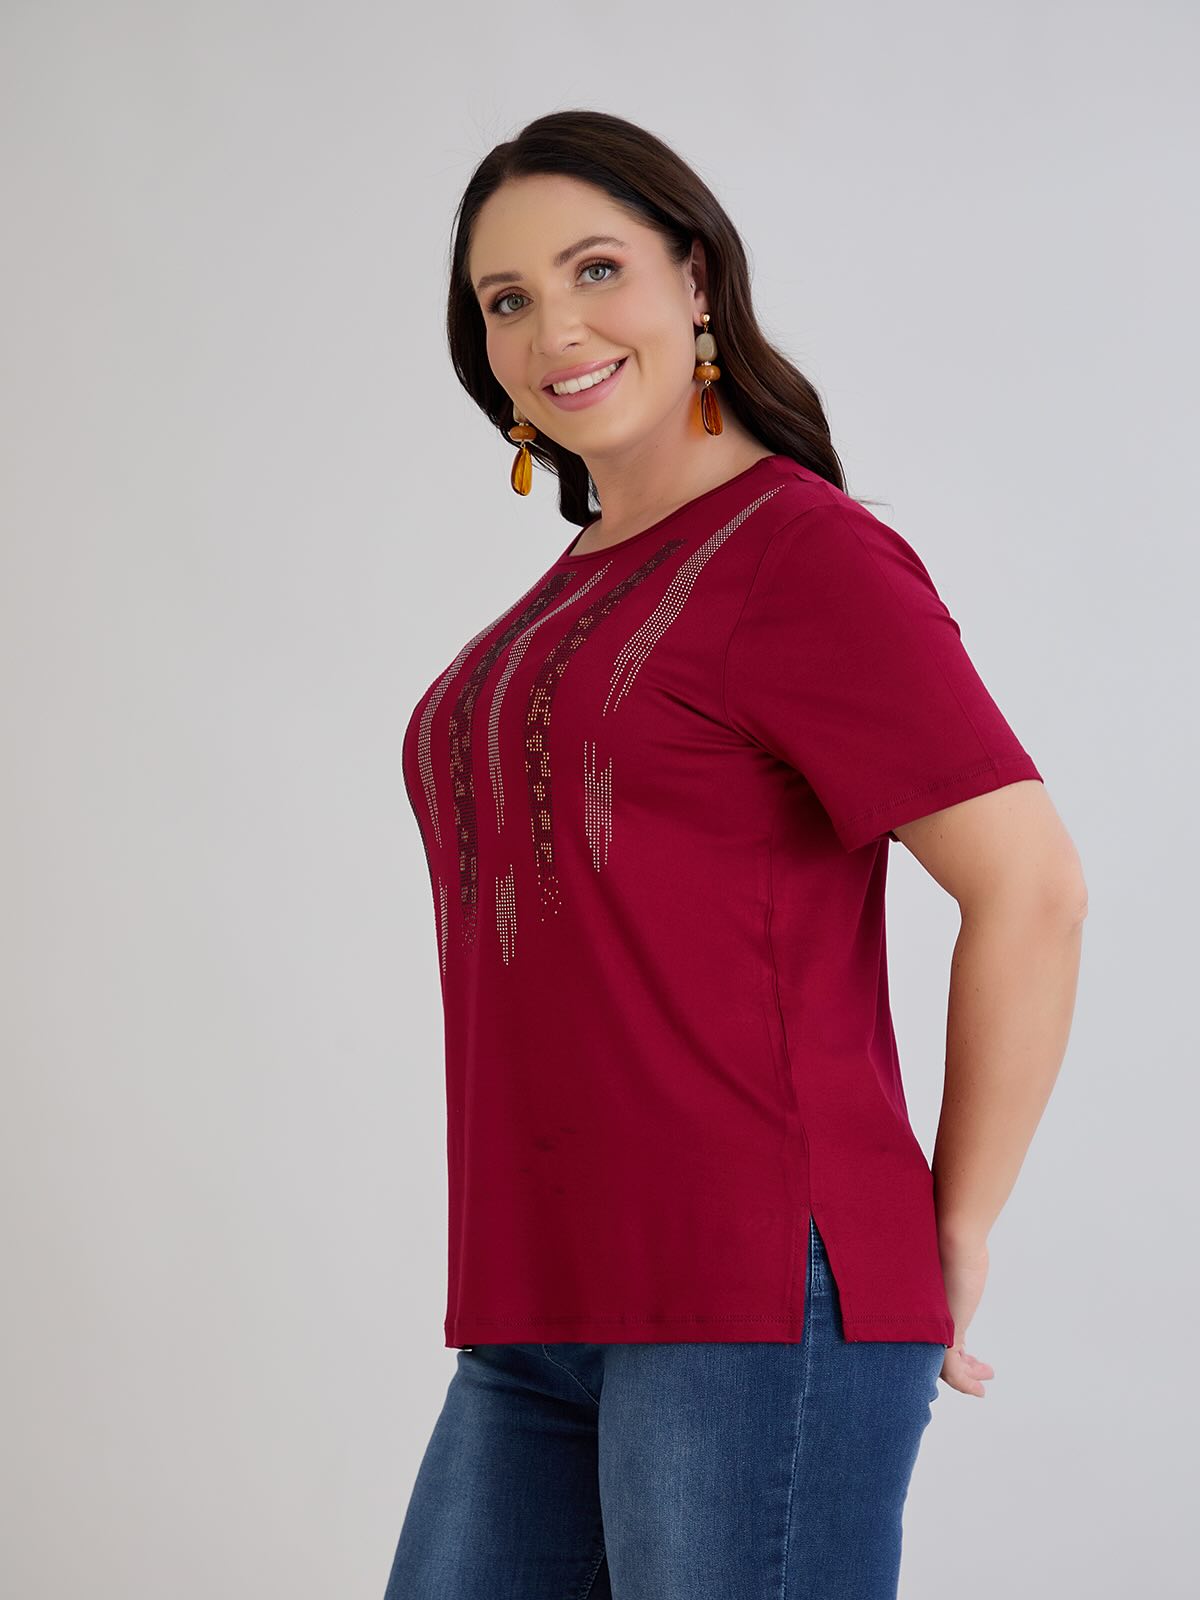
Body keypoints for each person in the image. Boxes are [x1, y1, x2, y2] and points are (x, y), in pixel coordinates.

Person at [382, 109, 1087, 1600]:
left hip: (759, 1298)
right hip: (534, 1305)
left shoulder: (800, 554)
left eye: (597, 269)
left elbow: (1030, 886)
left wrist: (954, 1225)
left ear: (696, 279)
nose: (554, 331)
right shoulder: (567, 592)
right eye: (507, 299)